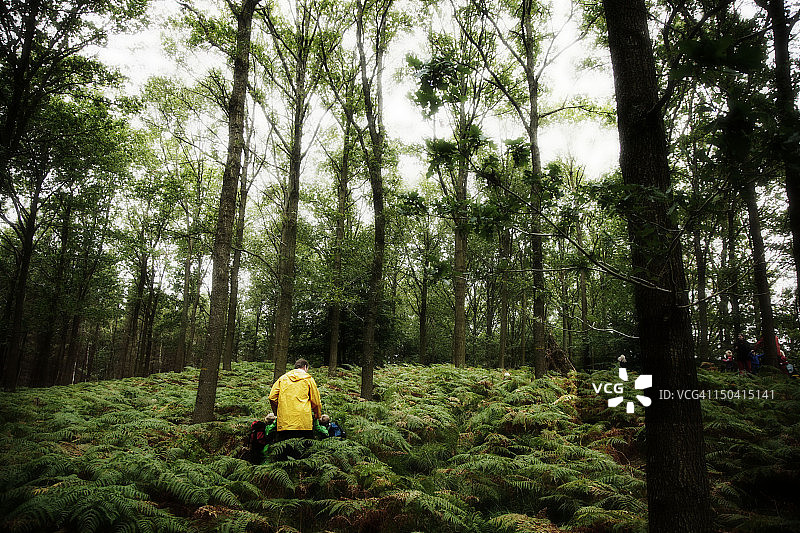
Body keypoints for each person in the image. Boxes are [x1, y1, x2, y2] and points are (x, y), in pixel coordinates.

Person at [268, 358, 322, 441]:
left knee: (284, 450)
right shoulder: (308, 379)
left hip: (284, 423)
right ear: (305, 367)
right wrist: (317, 415)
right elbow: (316, 401)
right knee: (303, 451)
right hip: (303, 423)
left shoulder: (282, 378)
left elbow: (272, 397)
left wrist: (278, 412)